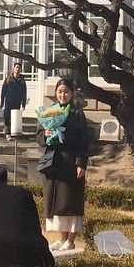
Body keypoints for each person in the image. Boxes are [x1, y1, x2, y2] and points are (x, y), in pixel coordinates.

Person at [37, 78, 91, 251]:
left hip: (71, 163)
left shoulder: (77, 114)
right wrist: (46, 133)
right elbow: (38, 137)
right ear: (56, 93)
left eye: (66, 92)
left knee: (71, 200)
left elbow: (84, 142)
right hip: (54, 163)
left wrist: (80, 163)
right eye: (60, 92)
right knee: (57, 201)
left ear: (72, 94)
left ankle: (71, 240)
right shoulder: (49, 112)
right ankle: (62, 238)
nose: (63, 95)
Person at [0, 62, 28, 140]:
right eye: (16, 67)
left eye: (19, 68)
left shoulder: (22, 81)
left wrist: (24, 103)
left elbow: (24, 92)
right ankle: (6, 127)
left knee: (14, 117)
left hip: (17, 101)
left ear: (21, 69)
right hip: (8, 101)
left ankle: (9, 133)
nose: (18, 69)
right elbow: (3, 90)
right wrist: (2, 101)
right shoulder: (8, 79)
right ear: (14, 69)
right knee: (7, 116)